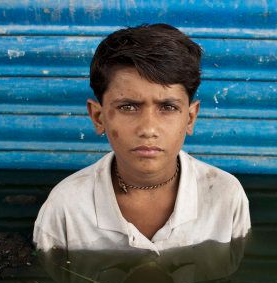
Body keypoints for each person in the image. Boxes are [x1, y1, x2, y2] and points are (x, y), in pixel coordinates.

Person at [33, 23, 250, 253]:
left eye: (167, 107)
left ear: (190, 118)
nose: (148, 128)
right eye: (128, 107)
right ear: (98, 117)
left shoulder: (225, 195)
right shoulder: (66, 207)